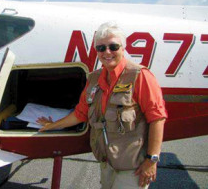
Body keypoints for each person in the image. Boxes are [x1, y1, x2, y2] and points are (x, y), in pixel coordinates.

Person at [37, 22, 167, 189]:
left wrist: (152, 160)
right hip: (107, 164)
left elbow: (157, 118)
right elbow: (80, 114)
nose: (107, 52)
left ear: (123, 48)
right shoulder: (93, 79)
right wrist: (52, 126)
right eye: (101, 48)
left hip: (132, 167)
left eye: (113, 46)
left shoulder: (139, 76)